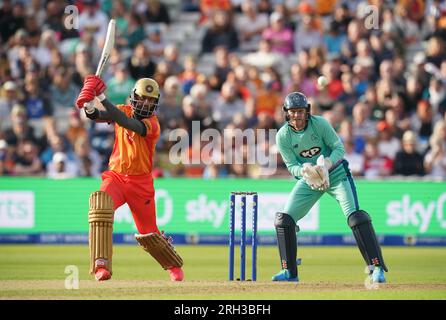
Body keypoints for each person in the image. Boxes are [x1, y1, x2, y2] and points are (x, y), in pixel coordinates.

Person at [75, 75, 184, 282]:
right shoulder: (121, 109)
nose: (146, 103)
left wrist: (101, 95)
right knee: (100, 206)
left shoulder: (153, 124)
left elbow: (125, 122)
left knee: (149, 234)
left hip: (140, 183)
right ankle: (101, 265)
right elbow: (97, 116)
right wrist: (89, 107)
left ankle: (173, 266)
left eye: (151, 100)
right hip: (116, 176)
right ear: (133, 96)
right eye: (143, 98)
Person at [273, 92, 388, 283]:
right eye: (293, 112)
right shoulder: (283, 136)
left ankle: (376, 267)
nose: (297, 116)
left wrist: (326, 164)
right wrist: (305, 170)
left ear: (306, 111)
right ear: (286, 113)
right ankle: (289, 272)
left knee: (355, 217)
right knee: (284, 220)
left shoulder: (320, 124)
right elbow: (291, 166)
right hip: (310, 179)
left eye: (300, 111)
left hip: (336, 174)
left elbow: (339, 149)